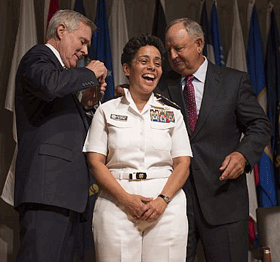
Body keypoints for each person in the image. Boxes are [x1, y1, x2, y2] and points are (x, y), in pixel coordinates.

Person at [154, 18, 271, 262]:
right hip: (175, 204)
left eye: (179, 48)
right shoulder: (161, 85)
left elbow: (259, 125)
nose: (172, 56)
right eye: (169, 50)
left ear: (198, 44)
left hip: (223, 201)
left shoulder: (234, 82)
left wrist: (243, 154)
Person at [83, 35, 193, 262]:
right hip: (116, 204)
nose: (152, 67)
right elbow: (95, 162)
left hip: (166, 206)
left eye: (157, 62)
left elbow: (183, 163)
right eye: (144, 61)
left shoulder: (172, 113)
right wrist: (125, 199)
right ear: (126, 68)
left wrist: (162, 200)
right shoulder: (106, 110)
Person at [14, 10, 107, 262]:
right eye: (82, 41)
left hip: (67, 196)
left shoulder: (61, 75)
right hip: (47, 192)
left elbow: (63, 126)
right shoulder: (39, 55)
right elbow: (49, 84)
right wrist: (88, 74)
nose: (85, 50)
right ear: (62, 31)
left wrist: (87, 104)